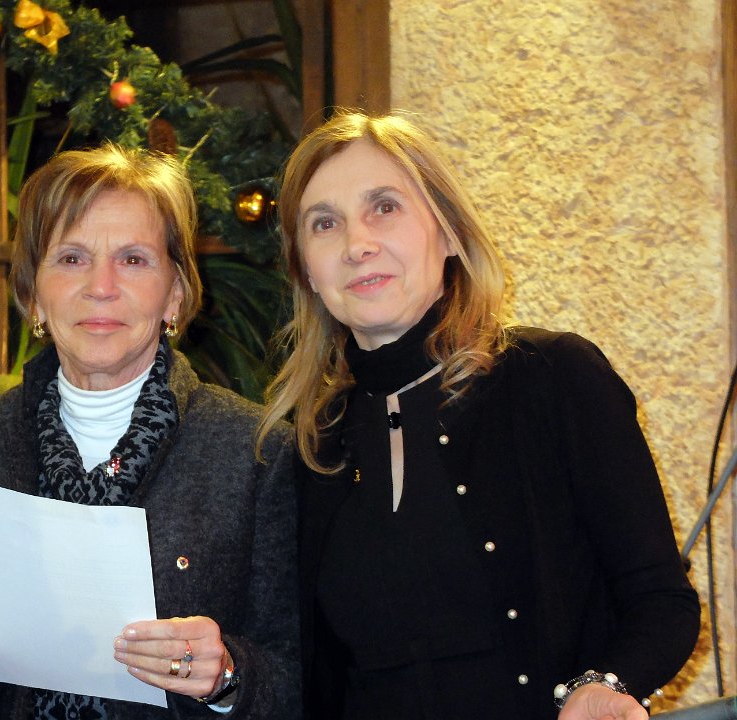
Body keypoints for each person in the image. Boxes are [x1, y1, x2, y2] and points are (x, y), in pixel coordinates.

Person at [258, 111, 700, 720]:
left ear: (449, 234)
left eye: (384, 207)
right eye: (324, 223)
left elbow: (662, 601)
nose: (357, 244)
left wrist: (606, 684)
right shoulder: (311, 441)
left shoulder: (554, 377)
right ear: (306, 269)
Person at [0, 144, 300, 719]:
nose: (101, 286)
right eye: (72, 258)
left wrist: (227, 677)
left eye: (133, 259)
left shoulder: (255, 451)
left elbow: (297, 676)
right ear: (33, 294)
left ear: (176, 293)